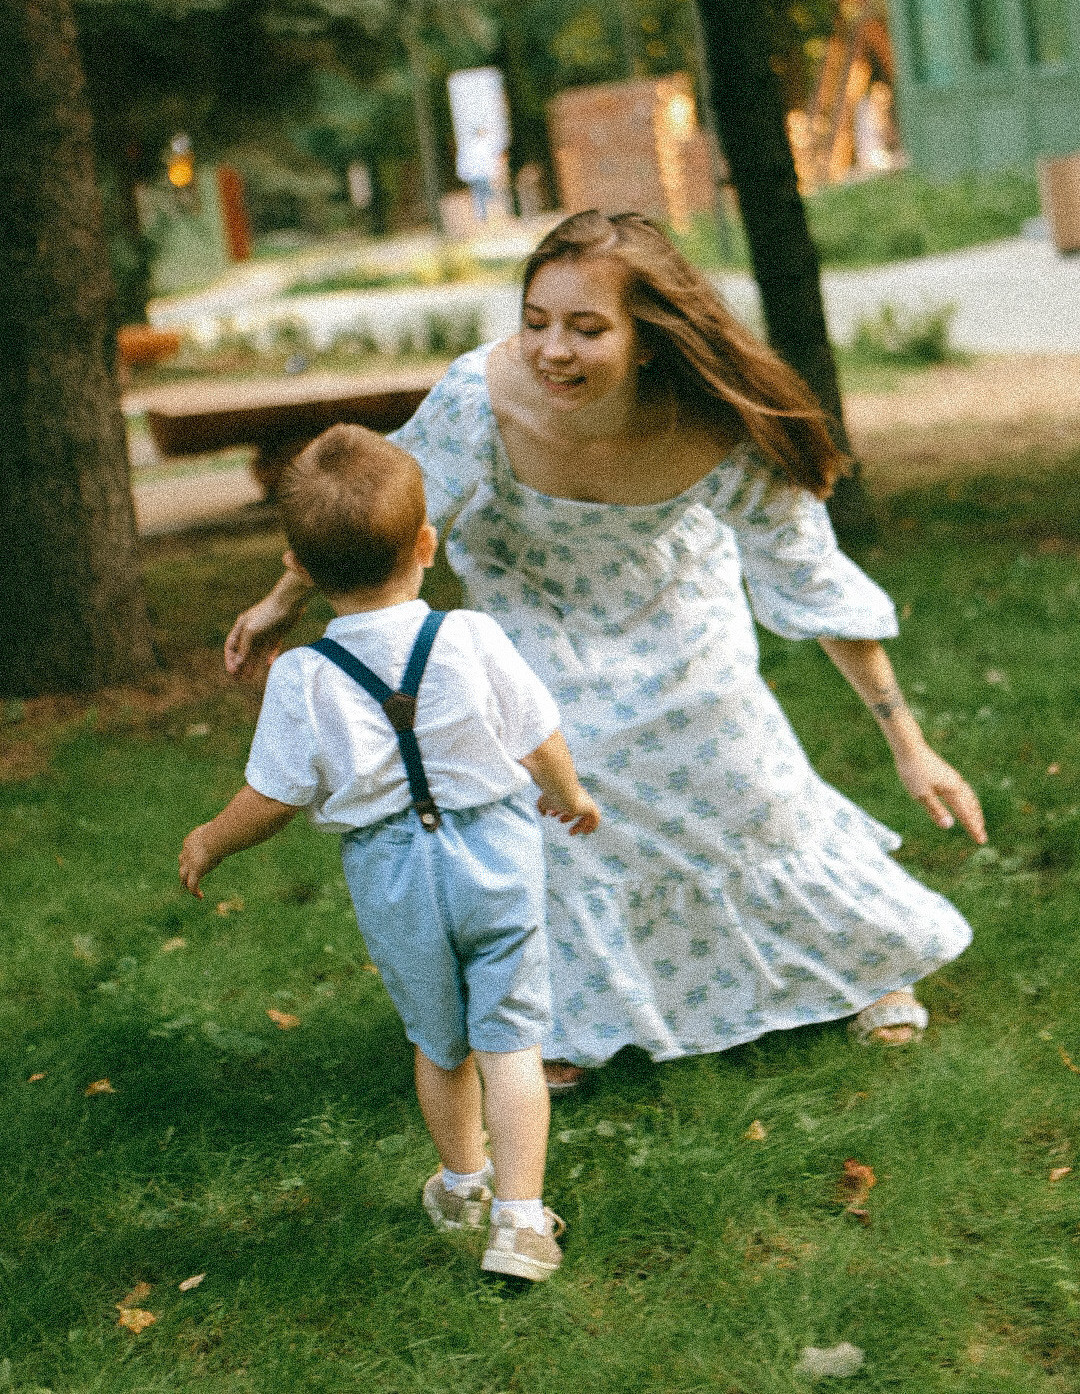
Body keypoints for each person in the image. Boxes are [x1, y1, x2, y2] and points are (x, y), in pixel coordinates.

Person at [225, 211, 987, 1092]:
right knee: (553, 763)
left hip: (672, 604)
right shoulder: (480, 399)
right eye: (536, 320)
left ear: (650, 339)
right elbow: (380, 514)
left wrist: (907, 739)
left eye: (588, 329)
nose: (552, 350)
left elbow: (813, 581)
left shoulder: (716, 430)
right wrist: (282, 599)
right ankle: (564, 1021)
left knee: (744, 771)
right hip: (528, 612)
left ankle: (861, 964)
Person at [182, 425, 600, 1280]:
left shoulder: (303, 673)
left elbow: (273, 798)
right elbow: (539, 736)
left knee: (440, 1041)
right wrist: (571, 796)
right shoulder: (473, 637)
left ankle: (461, 1183)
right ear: (426, 544)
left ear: (298, 560)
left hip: (394, 872)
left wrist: (209, 839)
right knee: (512, 1039)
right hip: (497, 854)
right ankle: (522, 1223)